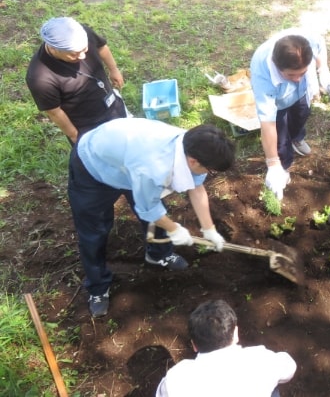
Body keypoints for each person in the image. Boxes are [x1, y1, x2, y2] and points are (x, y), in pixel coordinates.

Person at [69, 118, 236, 317]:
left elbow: (196, 187)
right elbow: (148, 208)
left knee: (156, 208)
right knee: (93, 232)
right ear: (193, 161)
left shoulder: (196, 146)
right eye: (211, 170)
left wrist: (209, 229)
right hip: (95, 166)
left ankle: (158, 254)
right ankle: (97, 287)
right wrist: (174, 229)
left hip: (129, 160)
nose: (210, 174)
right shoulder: (153, 169)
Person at [250, 29, 330, 200]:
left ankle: (297, 137)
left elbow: (319, 44)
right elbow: (268, 124)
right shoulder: (262, 74)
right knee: (281, 137)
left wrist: (323, 69)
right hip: (279, 101)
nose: (297, 78)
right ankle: (283, 167)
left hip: (301, 93)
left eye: (302, 73)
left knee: (302, 113)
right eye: (291, 75)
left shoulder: (307, 41)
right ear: (277, 65)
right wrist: (272, 163)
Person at [156, 299, 296, 397]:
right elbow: (289, 368)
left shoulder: (175, 378)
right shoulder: (260, 359)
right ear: (235, 333)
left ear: (194, 345)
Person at [26, 16, 128, 144]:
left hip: (112, 104)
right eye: (74, 54)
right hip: (87, 124)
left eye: (84, 49)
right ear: (53, 48)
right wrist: (75, 136)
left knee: (125, 141)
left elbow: (101, 47)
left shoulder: (80, 34)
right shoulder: (40, 78)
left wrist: (114, 69)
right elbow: (54, 112)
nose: (82, 56)